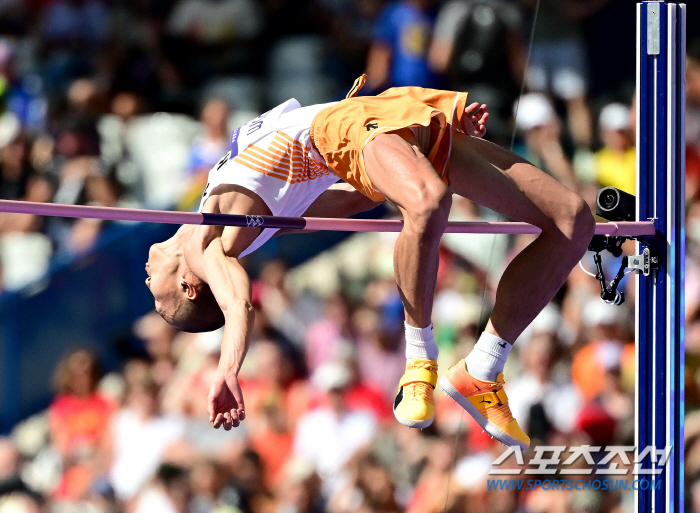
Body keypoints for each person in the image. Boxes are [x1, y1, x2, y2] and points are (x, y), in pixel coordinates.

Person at [145, 75, 595, 449]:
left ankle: (482, 366)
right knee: (427, 201)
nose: (147, 281)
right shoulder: (210, 246)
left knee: (573, 221)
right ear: (189, 284)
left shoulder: (252, 220)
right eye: (159, 299)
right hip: (351, 131)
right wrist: (227, 369)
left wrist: (397, 170)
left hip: (379, 127)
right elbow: (238, 303)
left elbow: (349, 202)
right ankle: (419, 360)